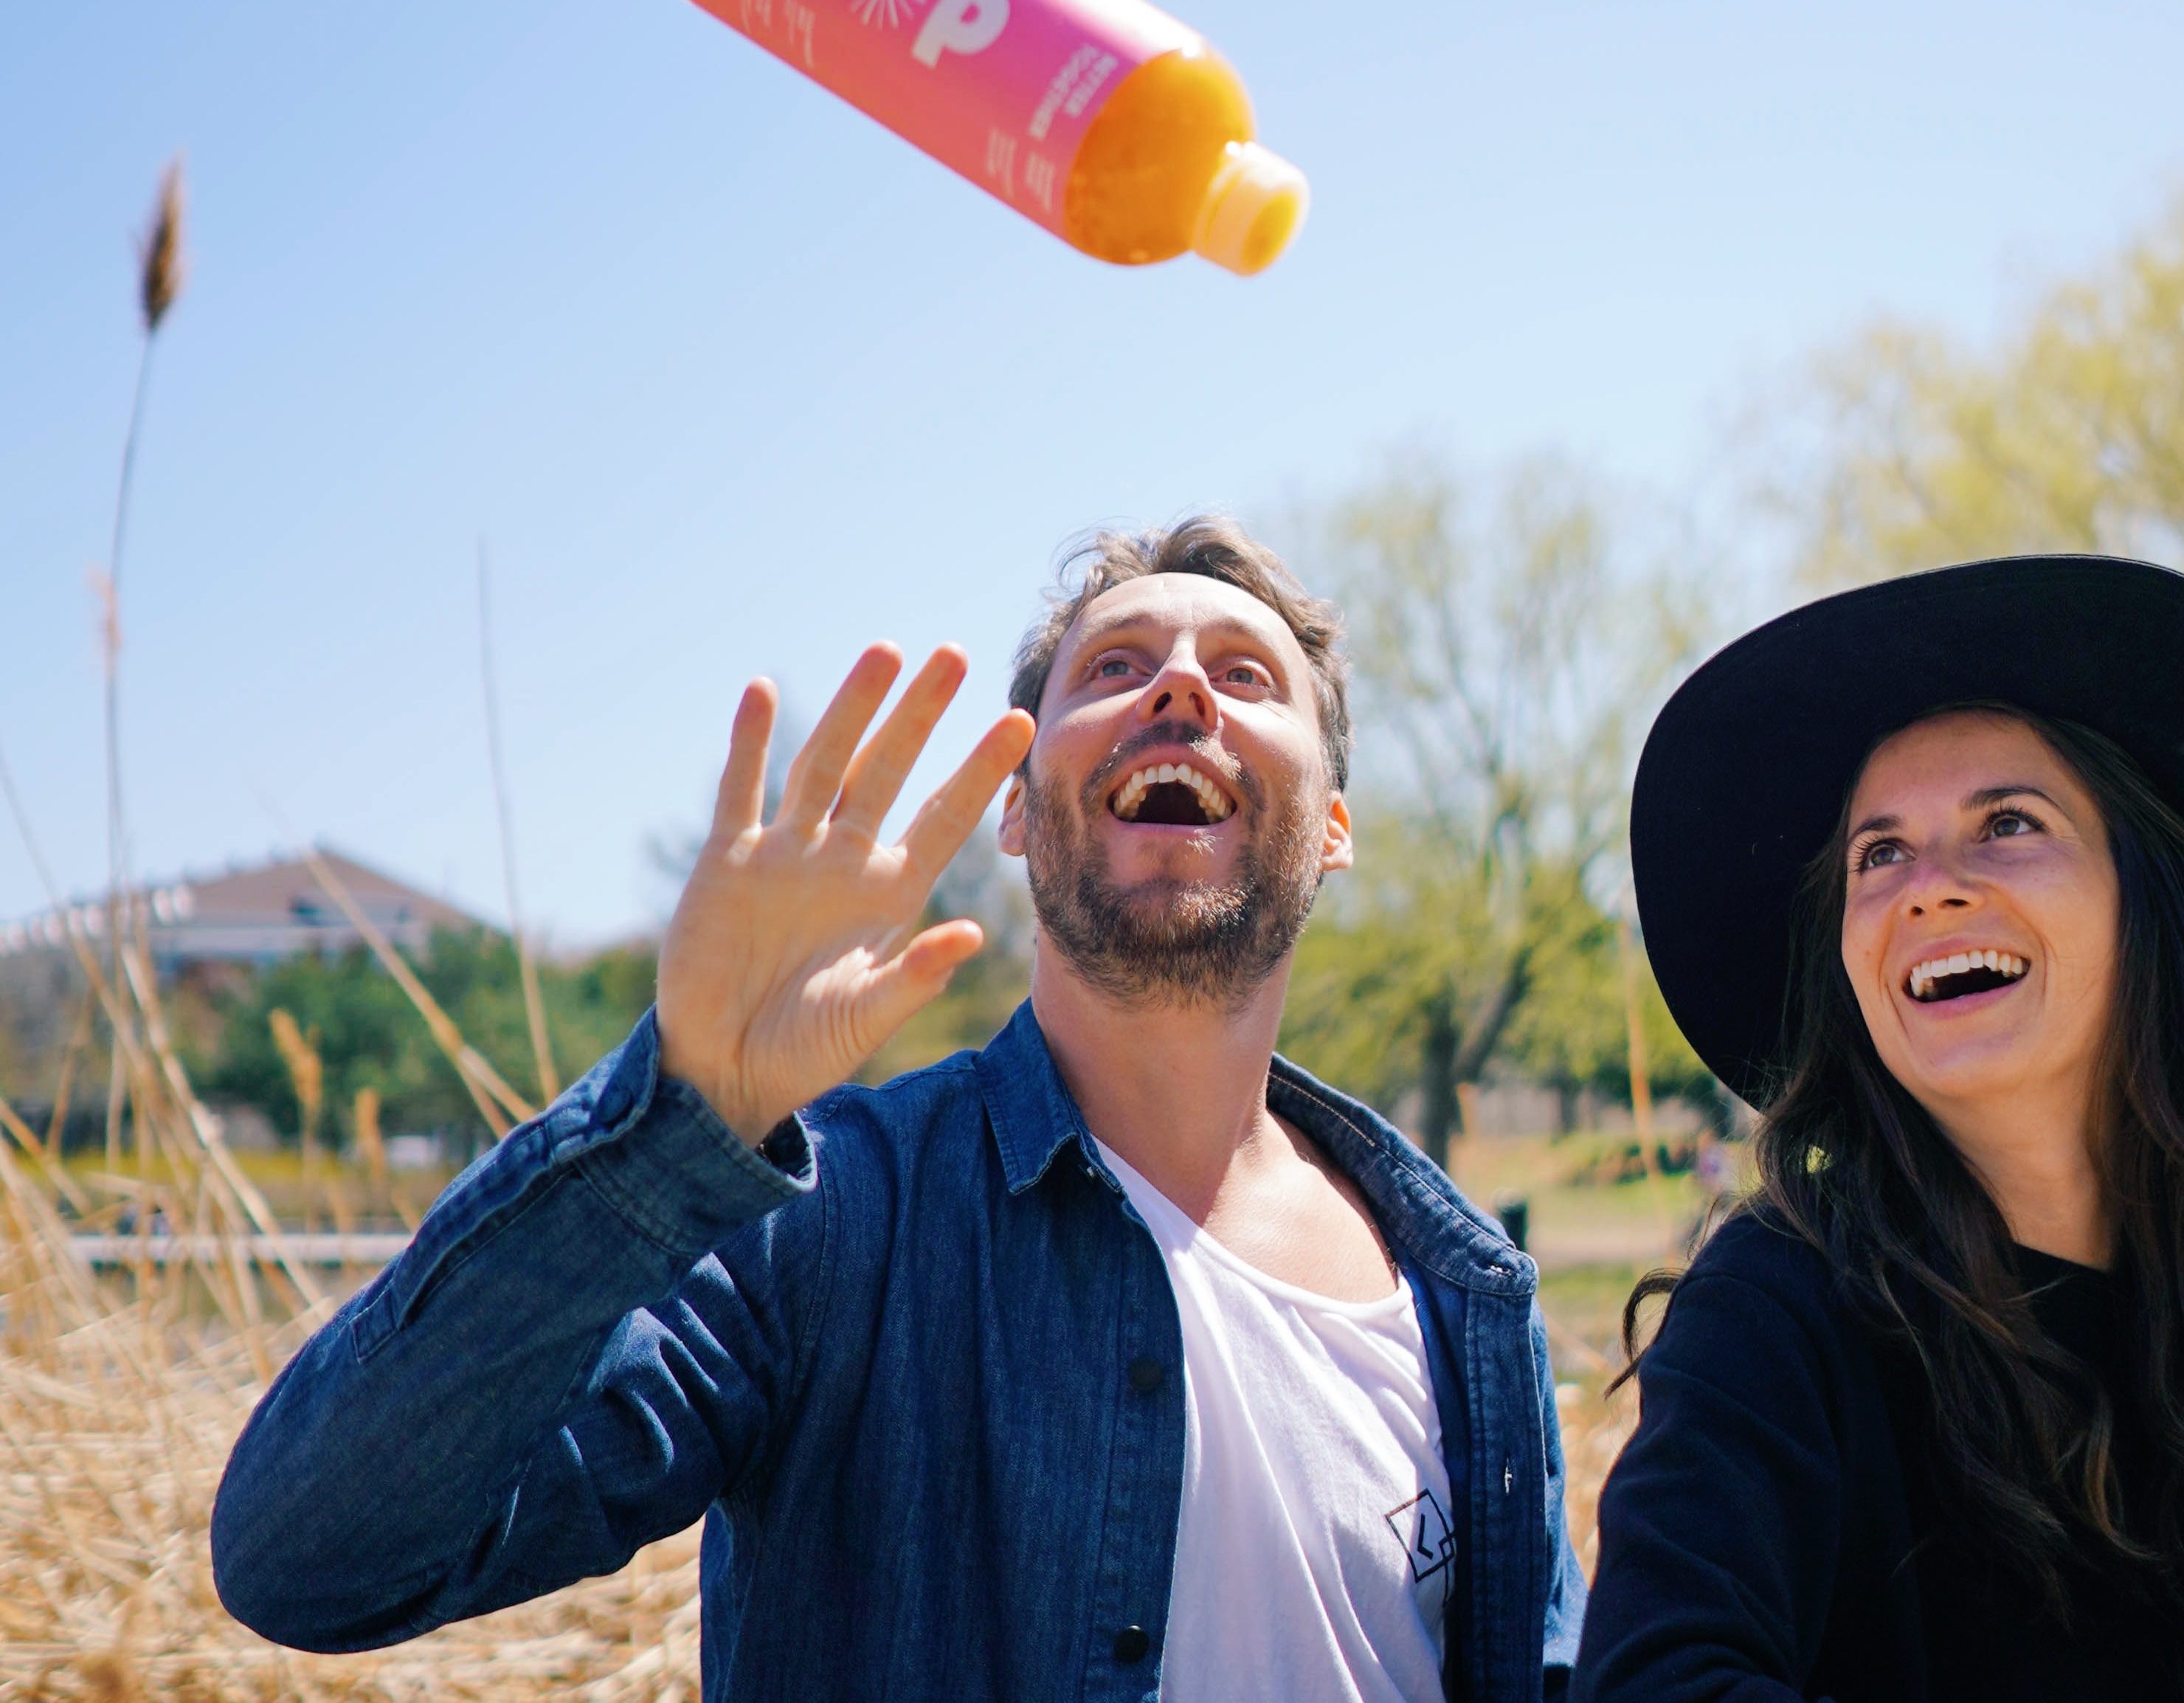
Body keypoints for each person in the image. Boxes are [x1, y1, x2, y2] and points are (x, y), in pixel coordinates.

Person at [213, 518, 1586, 1702]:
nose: (1179, 688)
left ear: (1333, 823)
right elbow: (309, 1556)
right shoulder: (830, 1221)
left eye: (1243, 675)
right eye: (1115, 668)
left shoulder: (1466, 1293)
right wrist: (673, 1124)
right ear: (1015, 809)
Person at [1575, 557, 2184, 1702]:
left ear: (2153, 903)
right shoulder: (1777, 1313)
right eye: (1878, 853)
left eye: (2007, 823)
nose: (1928, 887)